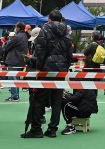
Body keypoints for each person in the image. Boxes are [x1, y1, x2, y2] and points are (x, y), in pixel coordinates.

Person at [21, 10, 72, 138]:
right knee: (56, 99)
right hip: (61, 69)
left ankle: (36, 129)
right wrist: (66, 67)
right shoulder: (66, 30)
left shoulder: (45, 28)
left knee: (39, 99)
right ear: (61, 20)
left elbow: (41, 49)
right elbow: (69, 51)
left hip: (46, 68)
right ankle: (52, 129)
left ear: (49, 19)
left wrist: (38, 67)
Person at [2, 21, 28, 102]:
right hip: (20, 60)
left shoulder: (17, 37)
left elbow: (6, 47)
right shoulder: (24, 36)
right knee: (16, 78)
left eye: (16, 27)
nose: (15, 28)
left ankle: (14, 96)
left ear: (19, 28)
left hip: (13, 60)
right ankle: (15, 95)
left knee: (12, 78)